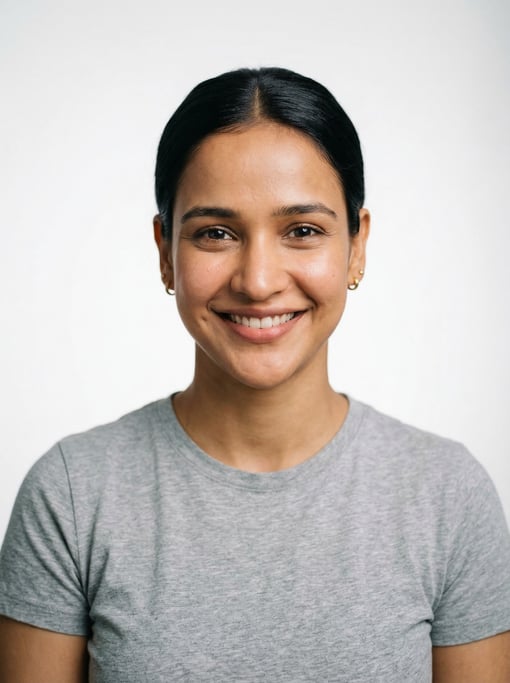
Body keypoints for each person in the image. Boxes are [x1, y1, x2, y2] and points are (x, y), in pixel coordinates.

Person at [0, 67, 509, 682]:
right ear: (165, 252)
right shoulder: (73, 497)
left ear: (356, 246)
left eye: (302, 231)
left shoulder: (448, 497)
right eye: (216, 233)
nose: (259, 280)